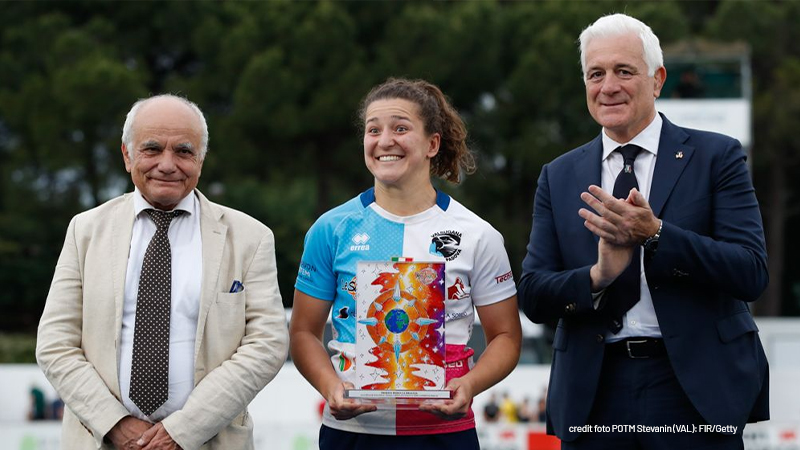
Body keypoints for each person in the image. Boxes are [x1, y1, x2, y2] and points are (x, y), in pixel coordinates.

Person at [518, 13, 769, 450]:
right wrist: (596, 277)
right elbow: (535, 295)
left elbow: (750, 272)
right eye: (595, 74)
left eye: (624, 71)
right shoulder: (558, 176)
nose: (608, 86)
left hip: (693, 388)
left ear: (657, 80)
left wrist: (656, 235)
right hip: (594, 391)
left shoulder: (716, 157)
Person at [36, 94, 289, 450]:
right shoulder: (85, 230)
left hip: (209, 441)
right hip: (102, 440)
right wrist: (116, 424)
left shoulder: (250, 238)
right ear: (127, 155)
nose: (167, 165)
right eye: (151, 149)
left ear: (201, 159)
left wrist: (181, 431)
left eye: (184, 151)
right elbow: (55, 344)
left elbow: (266, 345)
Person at [290, 78, 521, 450]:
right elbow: (303, 332)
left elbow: (507, 337)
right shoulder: (331, 229)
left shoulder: (478, 235)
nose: (384, 141)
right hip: (352, 434)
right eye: (373, 130)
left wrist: (471, 384)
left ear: (432, 144)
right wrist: (330, 385)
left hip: (445, 434)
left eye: (400, 128)